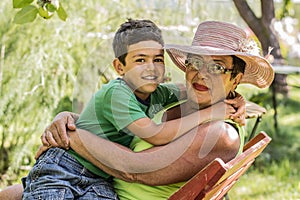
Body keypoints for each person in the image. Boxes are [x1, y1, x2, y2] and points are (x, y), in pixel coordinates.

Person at [35, 21, 274, 199]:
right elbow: (119, 119)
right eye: (196, 62)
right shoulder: (176, 97)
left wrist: (73, 137)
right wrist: (67, 119)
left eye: (217, 68)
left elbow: (134, 170)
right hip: (92, 184)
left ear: (236, 78)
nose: (202, 74)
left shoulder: (220, 134)